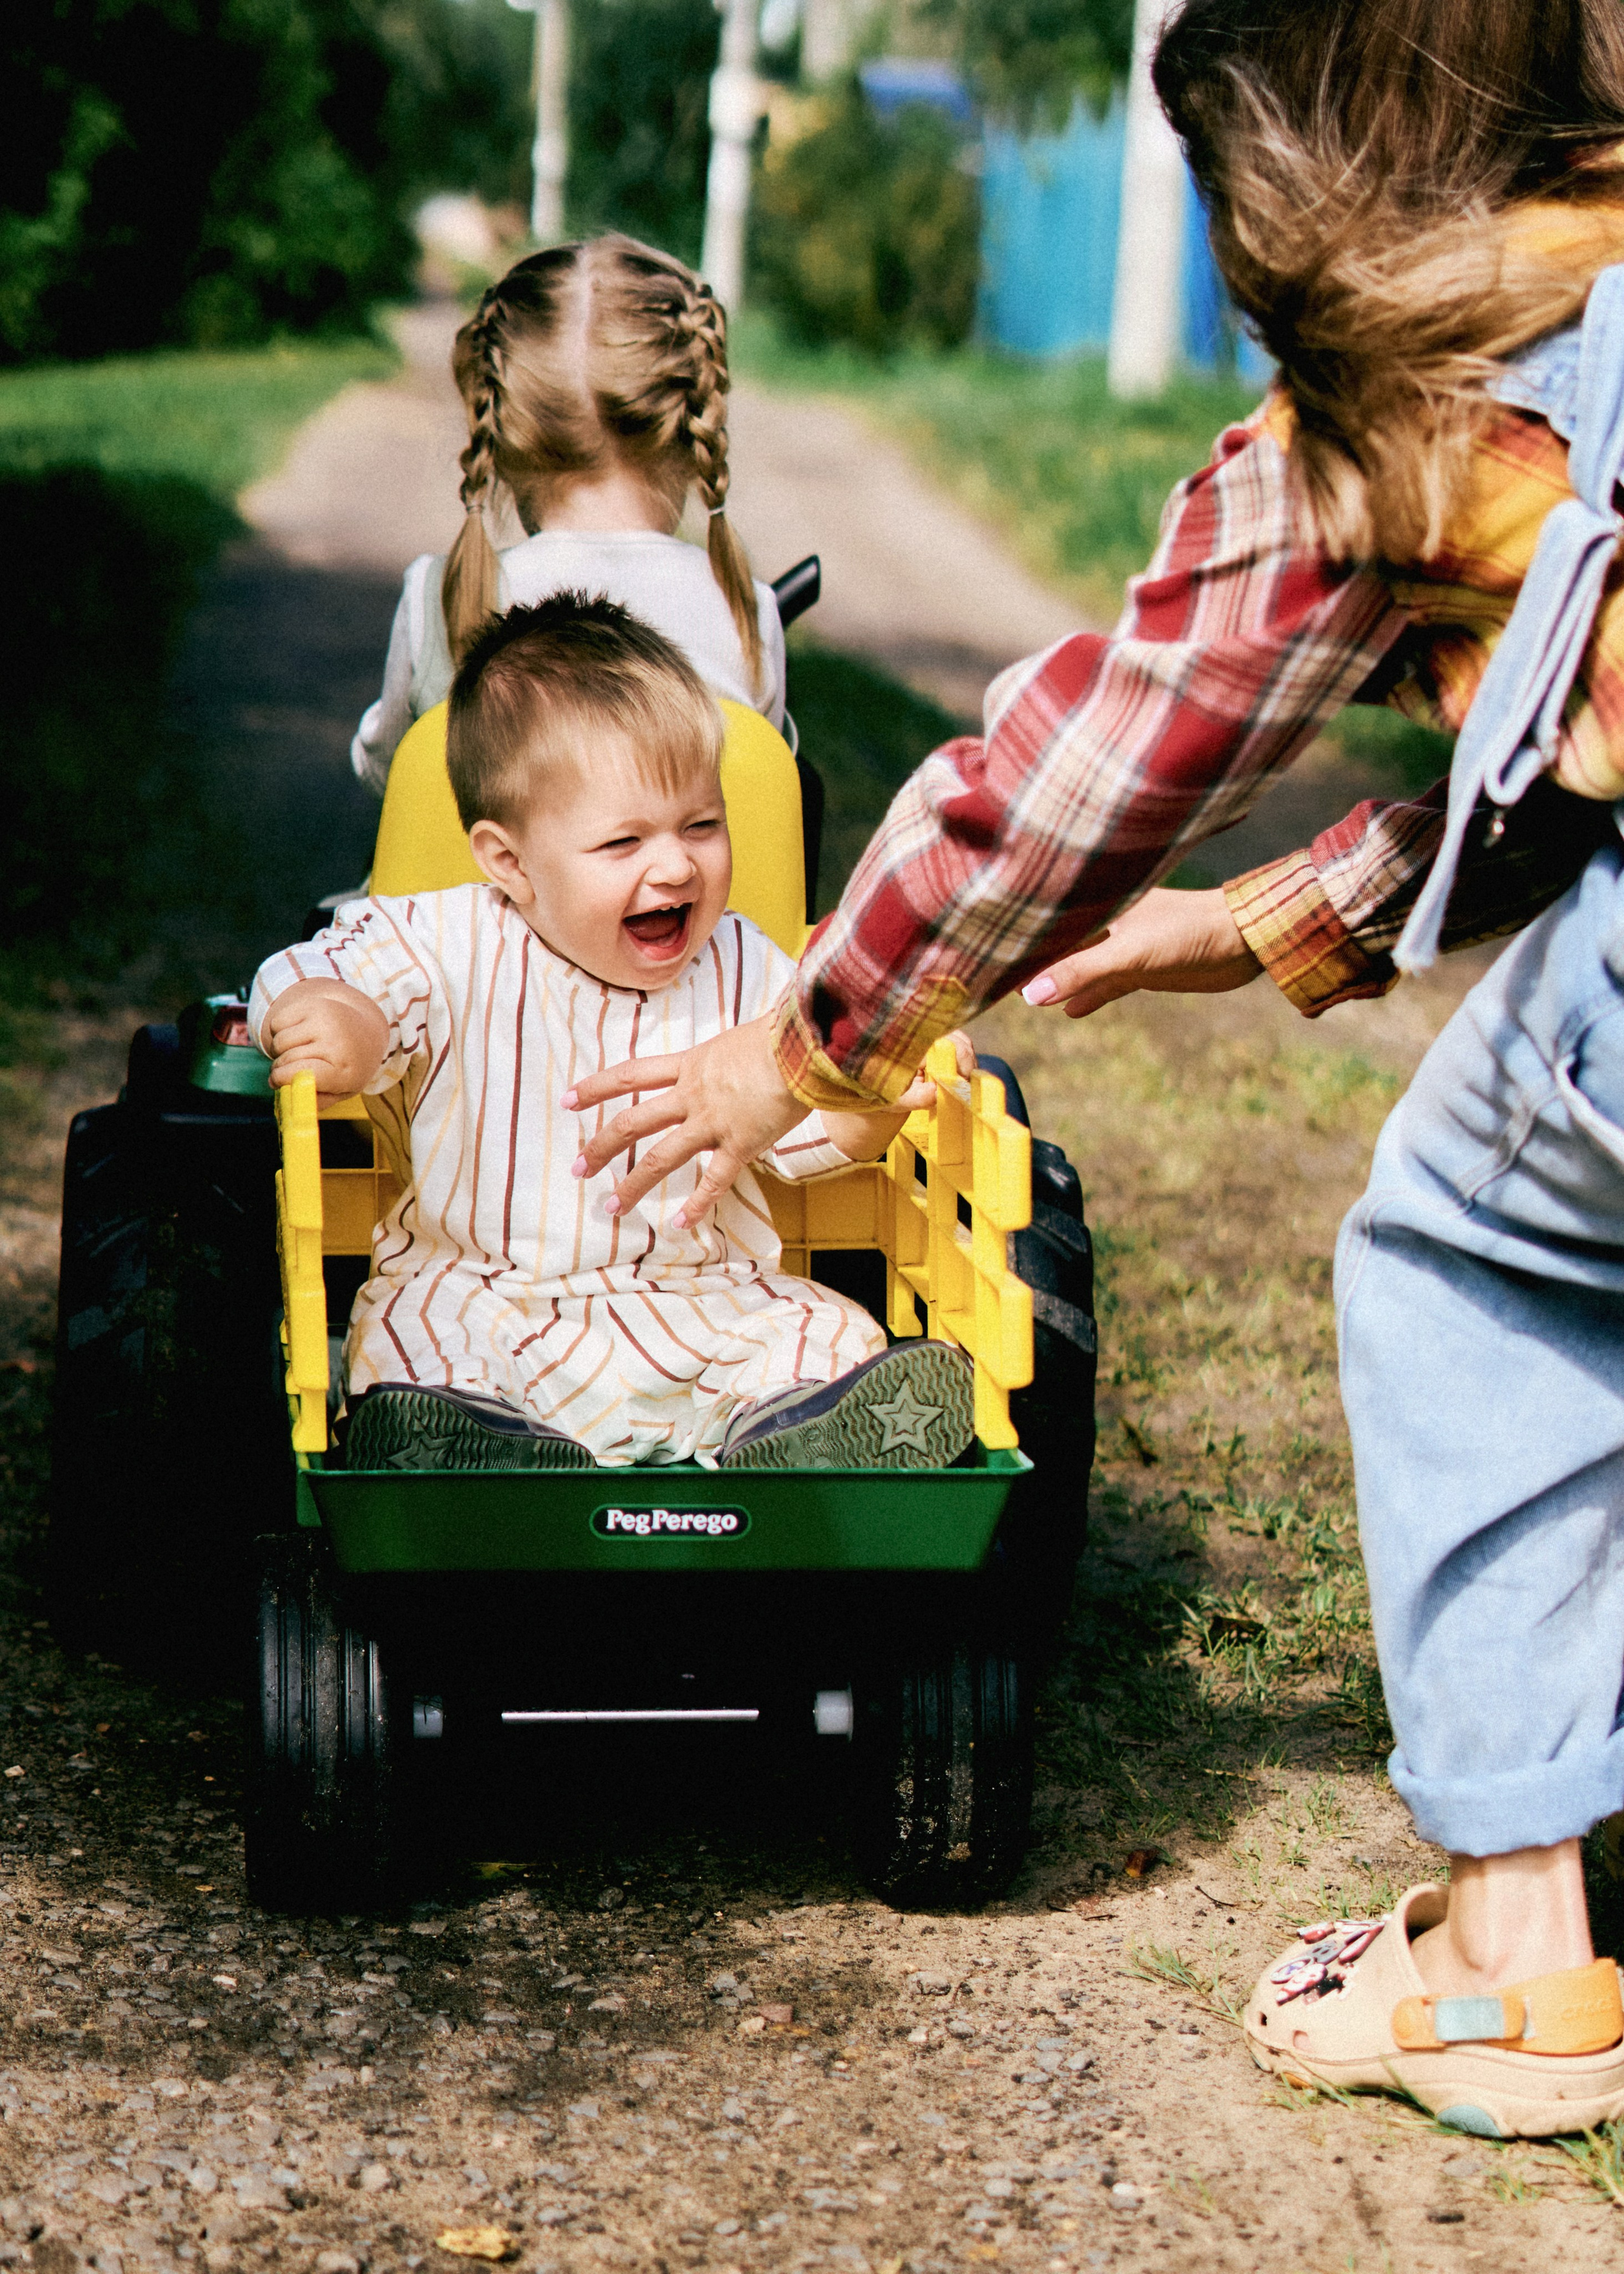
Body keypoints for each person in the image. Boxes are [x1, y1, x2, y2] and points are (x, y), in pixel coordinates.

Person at [567, 0, 1624, 2138]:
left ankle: (1522, 1958)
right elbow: (1569, 762)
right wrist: (1253, 925)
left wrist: (812, 1038)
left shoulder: (1392, 418)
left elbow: (1055, 793)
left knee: (1471, 1254)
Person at [256, 595, 972, 1474]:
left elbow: (811, 1118)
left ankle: (795, 1436)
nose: (674, 866)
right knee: (415, 1337)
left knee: (827, 1331)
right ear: (509, 862)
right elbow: (314, 970)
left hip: (699, 1299)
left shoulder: (743, 962)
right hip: (491, 1295)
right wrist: (347, 1023)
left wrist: (872, 1094)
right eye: (623, 842)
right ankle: (475, 1447)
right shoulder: (444, 940)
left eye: (702, 825)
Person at [350, 233, 787, 796]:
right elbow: (761, 796)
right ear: (688, 430)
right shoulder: (745, 610)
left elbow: (392, 775)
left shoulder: (437, 598)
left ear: (502, 432)